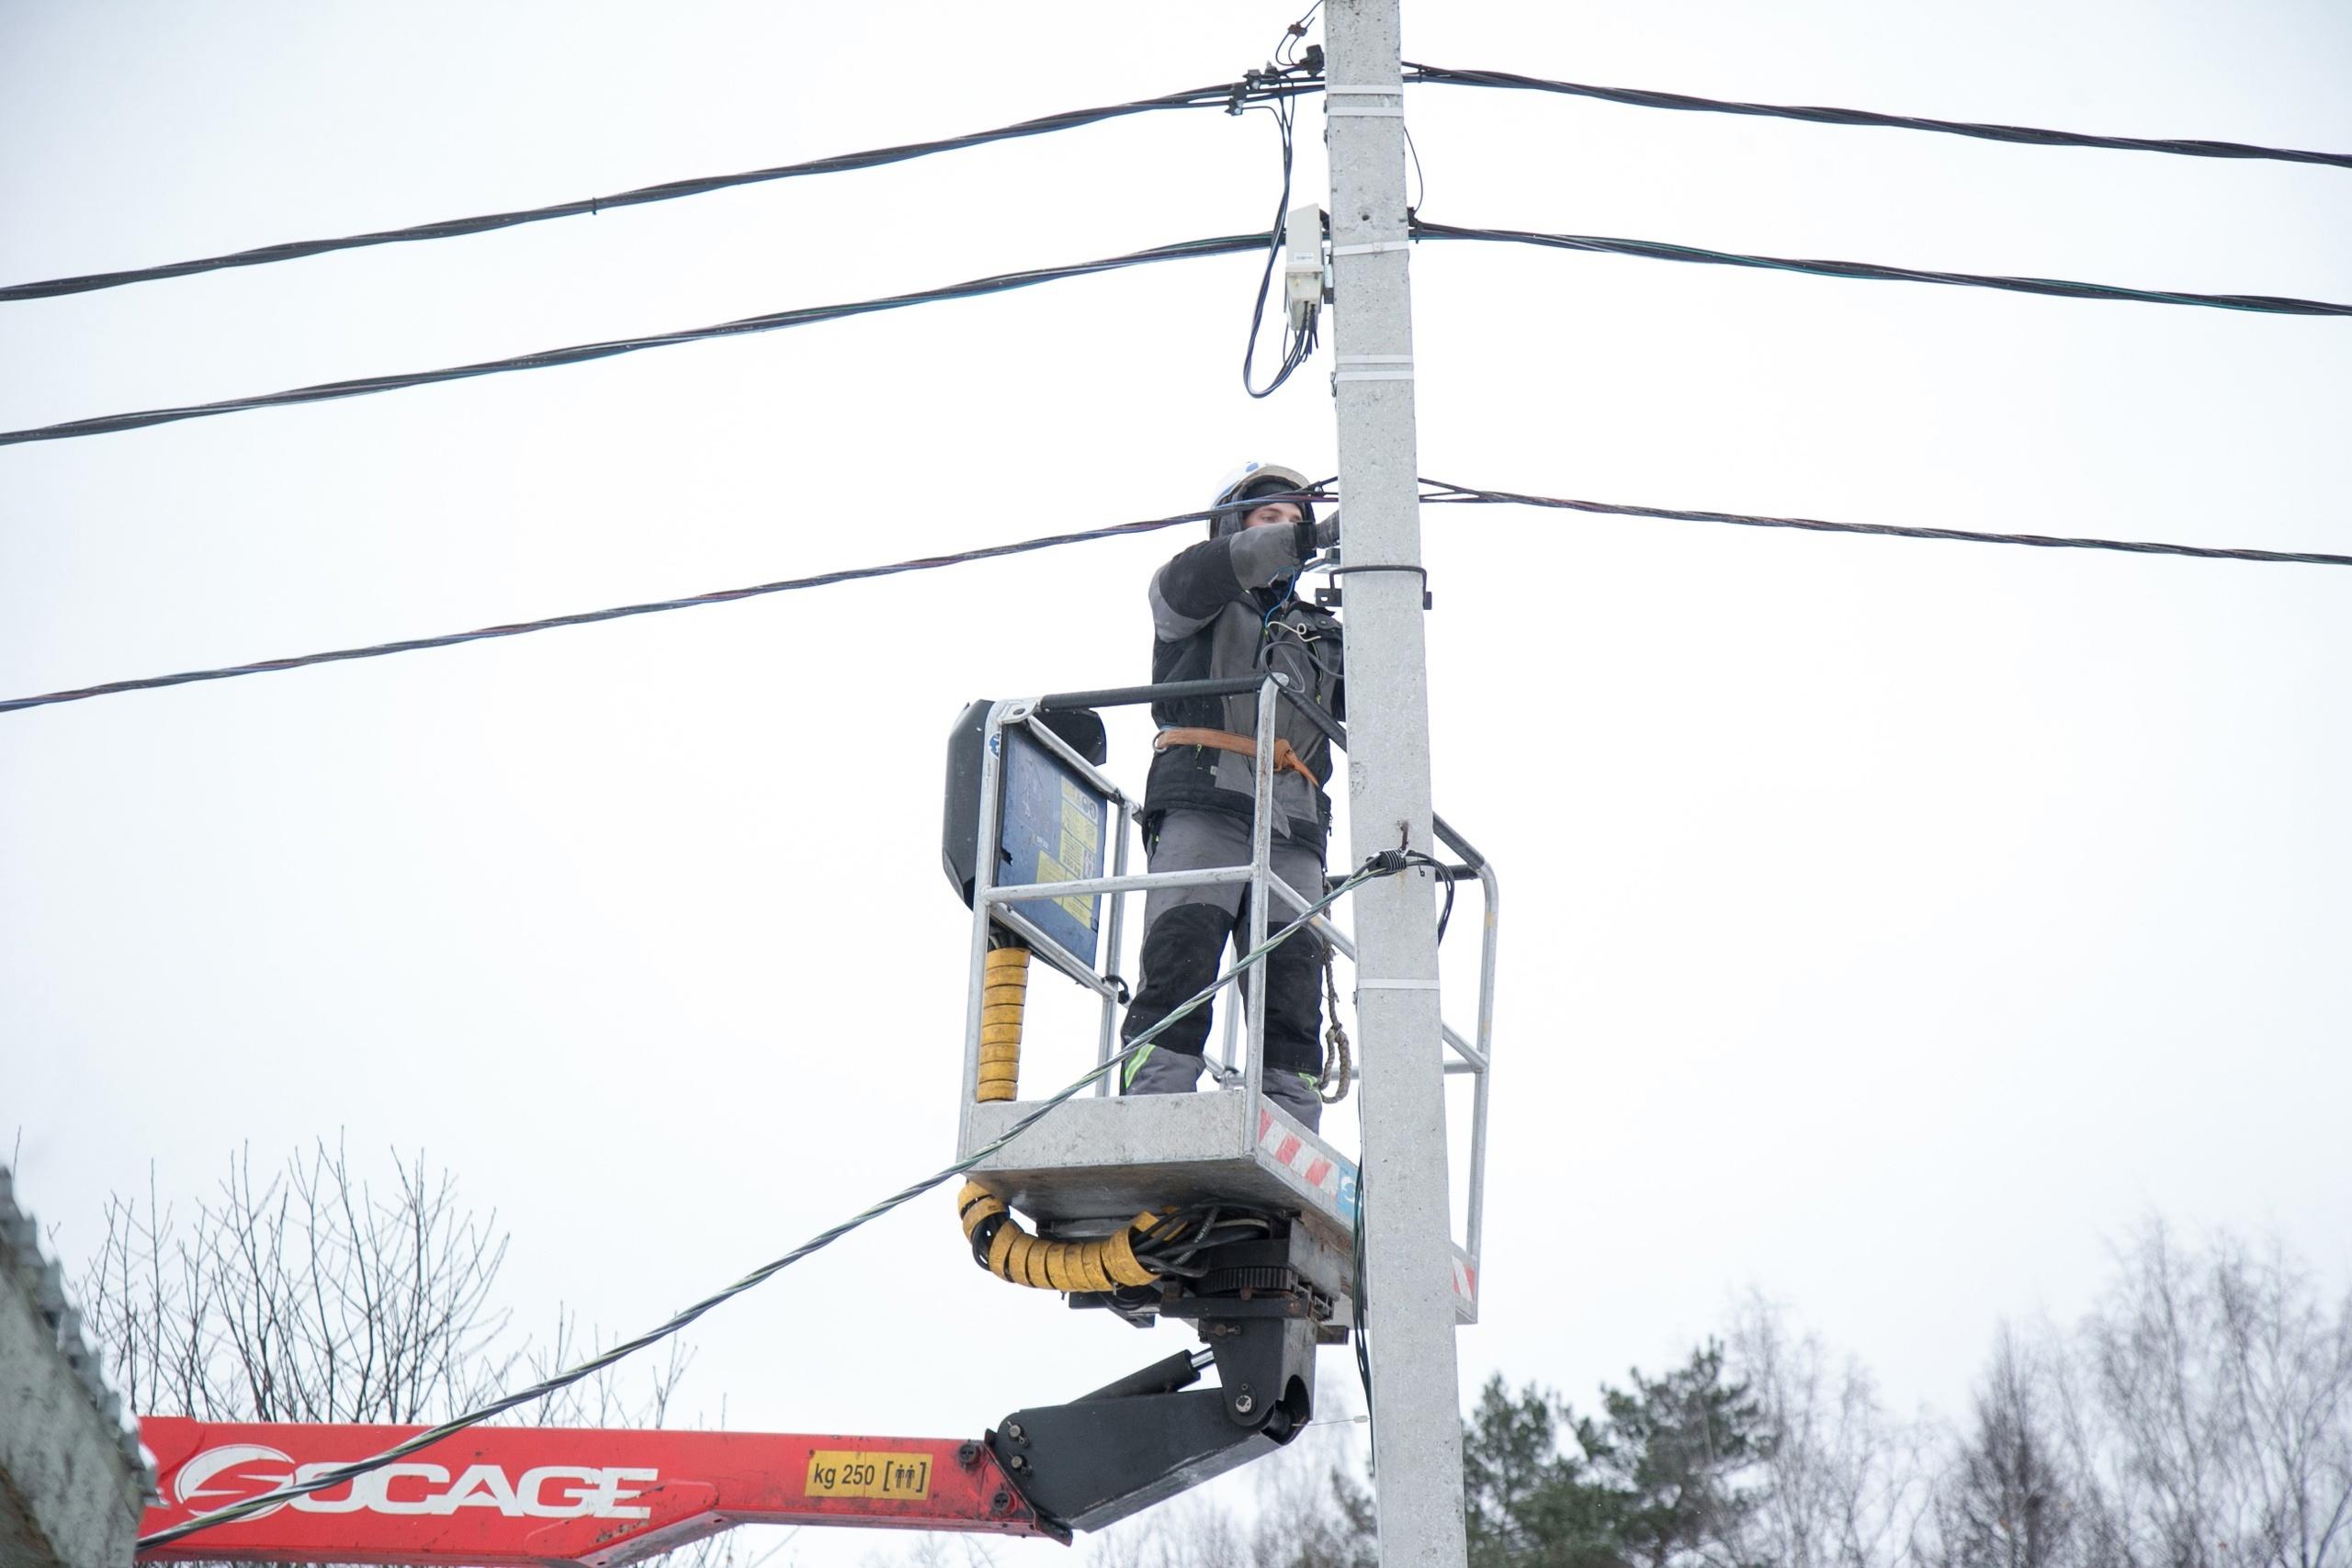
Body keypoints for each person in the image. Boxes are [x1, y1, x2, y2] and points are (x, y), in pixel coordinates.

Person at [1120, 462, 1344, 1131]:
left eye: (1294, 520)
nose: (1285, 529)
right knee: (1182, 960)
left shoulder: (1322, 630)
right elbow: (1207, 574)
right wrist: (1304, 539)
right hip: (1205, 798)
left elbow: (1386, 707)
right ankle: (1155, 1110)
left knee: (1292, 989)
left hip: (1293, 827)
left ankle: (1289, 1128)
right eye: (1267, 517)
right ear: (1233, 524)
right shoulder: (1196, 588)